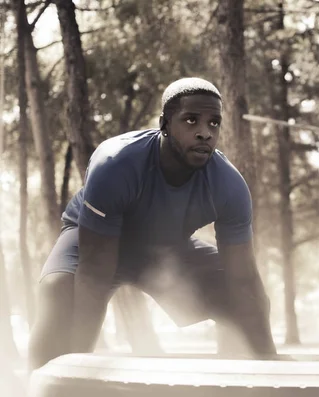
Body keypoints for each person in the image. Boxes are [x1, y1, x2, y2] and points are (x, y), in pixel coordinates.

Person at [28, 77, 279, 371]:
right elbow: (94, 270)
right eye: (191, 120)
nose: (204, 133)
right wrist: (79, 369)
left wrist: (272, 371)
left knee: (244, 300)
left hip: (166, 250)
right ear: (164, 123)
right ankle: (37, 386)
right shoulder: (116, 163)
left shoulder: (228, 185)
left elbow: (244, 278)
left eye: (214, 123)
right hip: (95, 241)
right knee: (59, 292)